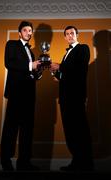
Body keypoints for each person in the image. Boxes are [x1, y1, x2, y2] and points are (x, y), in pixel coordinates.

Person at [50, 26, 94, 172]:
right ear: (64, 37)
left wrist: (60, 66)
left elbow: (80, 69)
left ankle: (86, 163)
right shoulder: (66, 54)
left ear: (77, 35)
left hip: (76, 97)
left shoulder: (83, 49)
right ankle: (76, 161)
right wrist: (55, 73)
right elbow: (65, 78)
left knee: (80, 130)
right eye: (67, 34)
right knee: (70, 131)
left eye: (72, 33)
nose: (69, 36)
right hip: (64, 98)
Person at [0, 21, 42, 171]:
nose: (29, 33)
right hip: (16, 94)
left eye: (30, 31)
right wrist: (31, 66)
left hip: (29, 96)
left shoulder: (31, 53)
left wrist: (39, 72)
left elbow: (31, 74)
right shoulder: (11, 44)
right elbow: (9, 63)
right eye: (26, 30)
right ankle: (5, 161)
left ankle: (24, 162)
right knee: (10, 128)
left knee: (27, 130)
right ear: (19, 33)